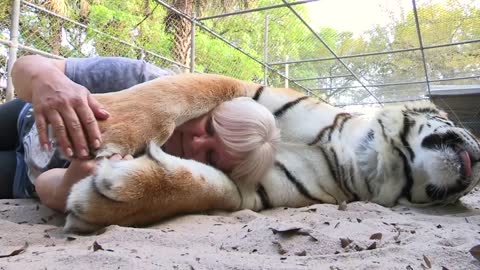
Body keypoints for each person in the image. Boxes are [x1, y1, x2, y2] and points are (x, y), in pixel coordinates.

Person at [0, 55, 280, 212]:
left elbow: (46, 187)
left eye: (210, 155)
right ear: (211, 107)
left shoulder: (163, 180)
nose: (196, 143)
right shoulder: (141, 80)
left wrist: (75, 180)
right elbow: (24, 67)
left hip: (23, 176)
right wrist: (47, 82)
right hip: (25, 117)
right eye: (210, 128)